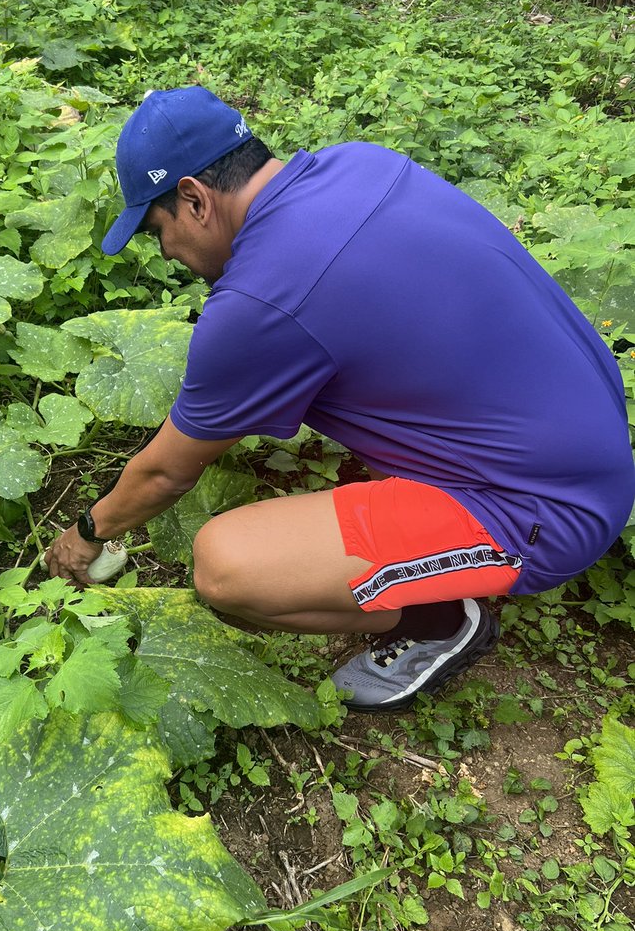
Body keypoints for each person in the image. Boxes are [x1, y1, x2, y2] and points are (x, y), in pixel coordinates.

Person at [44, 86, 635, 711]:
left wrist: (89, 531)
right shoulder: (361, 162)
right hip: (585, 428)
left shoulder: (262, 300)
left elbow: (166, 472)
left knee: (227, 566)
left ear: (194, 199)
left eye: (156, 229)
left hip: (546, 510)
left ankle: (435, 623)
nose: (165, 252)